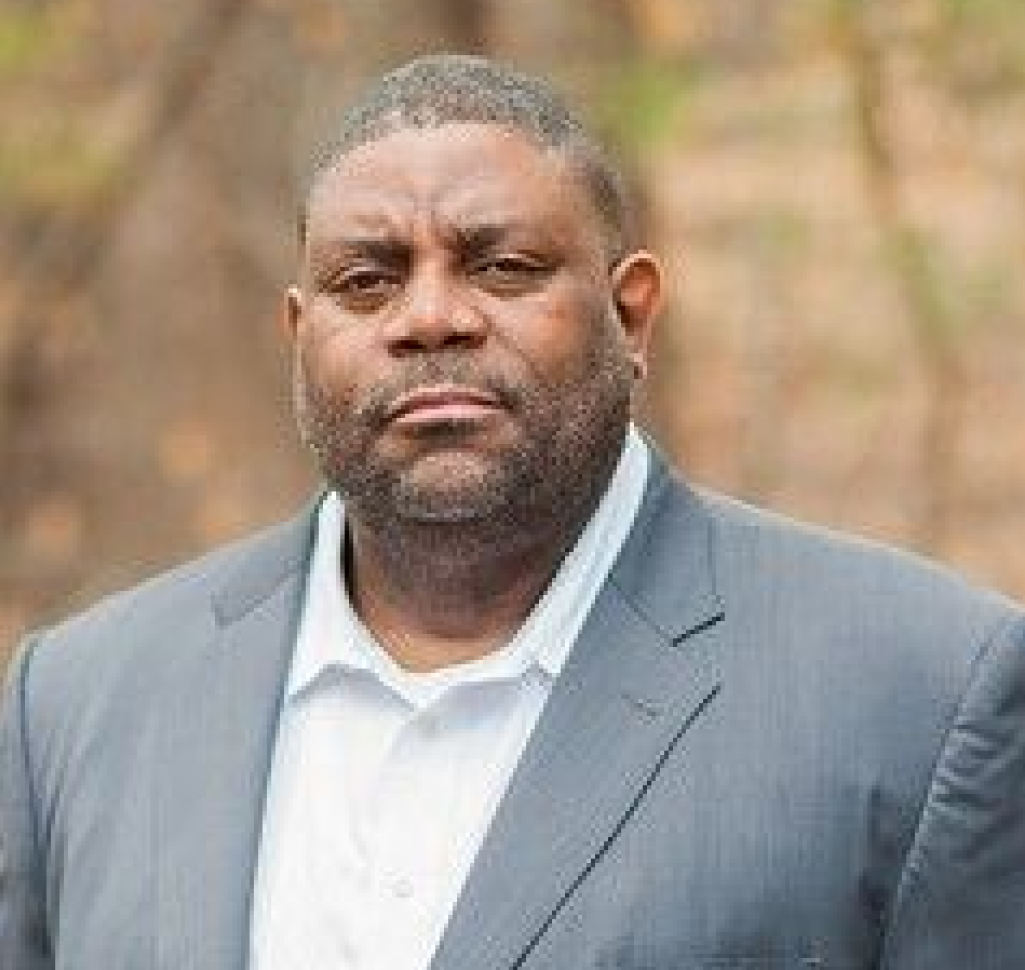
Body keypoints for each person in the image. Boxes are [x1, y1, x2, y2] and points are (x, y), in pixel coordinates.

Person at [1, 53, 1023, 970]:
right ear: (298, 337)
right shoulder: (77, 707)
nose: (430, 316)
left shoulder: (923, 691)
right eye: (367, 281)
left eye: (502, 267)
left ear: (630, 314)